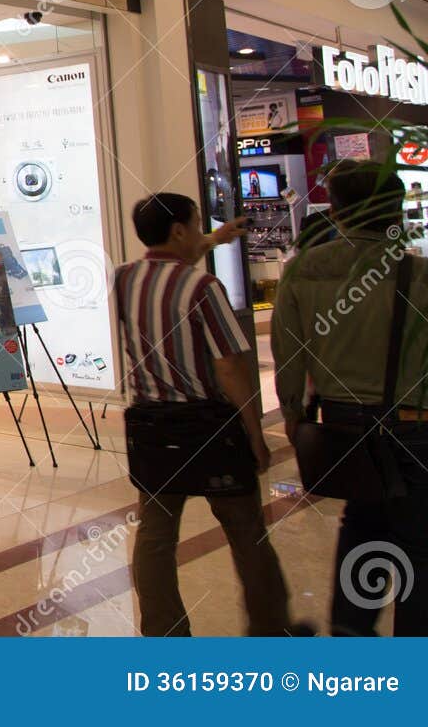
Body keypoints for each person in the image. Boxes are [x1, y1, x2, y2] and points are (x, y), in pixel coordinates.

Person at [114, 192, 300, 636]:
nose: (200, 233)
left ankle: (164, 633)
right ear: (179, 230)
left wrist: (214, 238)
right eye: (197, 225)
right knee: (246, 532)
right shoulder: (204, 288)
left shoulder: (123, 279)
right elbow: (230, 368)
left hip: (152, 428)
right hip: (210, 426)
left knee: (156, 536)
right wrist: (256, 434)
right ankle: (271, 630)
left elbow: (174, 256)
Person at [272, 161, 428, 636]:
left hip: (342, 429)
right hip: (413, 426)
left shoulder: (304, 270)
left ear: (337, 212)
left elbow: (288, 356)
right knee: (418, 548)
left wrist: (294, 418)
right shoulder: (419, 273)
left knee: (361, 529)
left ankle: (350, 648)